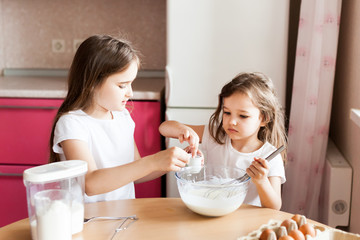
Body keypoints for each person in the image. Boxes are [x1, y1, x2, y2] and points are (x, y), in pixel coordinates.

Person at [49, 35, 189, 203]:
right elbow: (91, 183)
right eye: (122, 85)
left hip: (123, 218)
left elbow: (136, 172)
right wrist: (153, 161)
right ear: (92, 82)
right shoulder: (72, 124)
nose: (130, 93)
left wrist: (174, 160)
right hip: (87, 222)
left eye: (131, 84)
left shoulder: (123, 118)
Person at [159, 72, 287, 210]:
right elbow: (164, 128)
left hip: (247, 223)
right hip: (211, 212)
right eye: (227, 113)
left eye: (243, 116)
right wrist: (186, 131)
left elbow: (274, 207)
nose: (231, 121)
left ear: (264, 119)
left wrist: (261, 181)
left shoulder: (270, 157)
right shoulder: (216, 136)